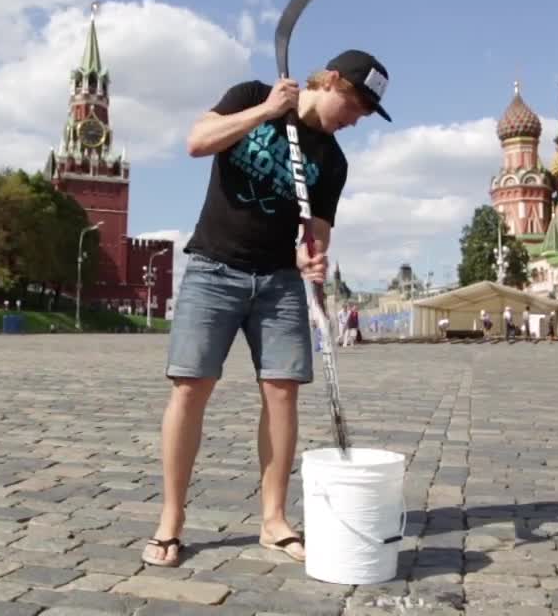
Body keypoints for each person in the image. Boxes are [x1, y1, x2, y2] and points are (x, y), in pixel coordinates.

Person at [144, 49, 392, 569]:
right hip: (214, 266)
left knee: (282, 393)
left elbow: (317, 232)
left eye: (365, 114)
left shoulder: (332, 161)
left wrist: (313, 257)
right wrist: (265, 111)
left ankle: (274, 521)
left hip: (279, 283)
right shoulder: (252, 95)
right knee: (190, 387)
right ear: (328, 81)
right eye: (354, 104)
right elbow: (197, 141)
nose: (355, 119)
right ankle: (170, 521)